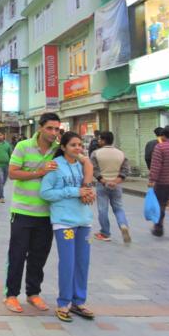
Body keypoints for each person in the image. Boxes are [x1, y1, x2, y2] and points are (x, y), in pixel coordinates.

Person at [4, 112, 94, 314]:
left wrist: (87, 187)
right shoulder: (23, 146)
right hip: (23, 210)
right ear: (40, 127)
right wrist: (39, 172)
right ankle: (11, 295)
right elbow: (12, 173)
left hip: (48, 214)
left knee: (39, 256)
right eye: (50, 128)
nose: (54, 133)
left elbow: (87, 163)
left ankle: (33, 293)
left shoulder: (59, 148)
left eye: (56, 129)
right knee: (17, 254)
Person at [40, 131, 96, 323]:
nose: (78, 148)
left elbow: (87, 183)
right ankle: (63, 303)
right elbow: (46, 193)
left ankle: (79, 301)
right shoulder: (55, 166)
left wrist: (89, 193)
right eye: (73, 145)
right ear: (63, 147)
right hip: (64, 222)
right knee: (68, 262)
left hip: (84, 221)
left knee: (83, 263)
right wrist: (75, 191)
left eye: (80, 145)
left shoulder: (82, 166)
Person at [90, 131, 131, 243]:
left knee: (103, 209)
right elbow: (126, 170)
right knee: (118, 208)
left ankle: (105, 233)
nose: (98, 141)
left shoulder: (95, 153)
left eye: (99, 139)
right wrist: (116, 181)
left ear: (103, 140)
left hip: (102, 185)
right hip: (117, 185)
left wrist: (104, 181)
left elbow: (94, 169)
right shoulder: (121, 153)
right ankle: (123, 225)